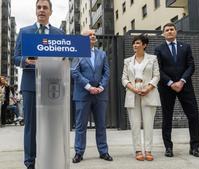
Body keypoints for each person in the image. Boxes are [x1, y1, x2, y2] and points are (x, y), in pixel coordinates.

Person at [13, 0, 64, 168]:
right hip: (30, 85)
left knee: (51, 125)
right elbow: (15, 58)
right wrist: (25, 60)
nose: (41, 10)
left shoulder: (58, 33)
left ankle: (50, 158)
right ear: (36, 10)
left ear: (51, 11)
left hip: (52, 86)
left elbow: (66, 57)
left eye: (45, 8)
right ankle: (30, 162)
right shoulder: (24, 32)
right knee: (30, 126)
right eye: (39, 7)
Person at [154, 23, 199, 158]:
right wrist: (170, 83)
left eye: (171, 29)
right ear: (163, 34)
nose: (169, 32)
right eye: (167, 30)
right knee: (167, 118)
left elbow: (191, 66)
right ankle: (168, 147)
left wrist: (181, 81)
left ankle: (194, 147)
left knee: (193, 116)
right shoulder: (158, 49)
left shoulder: (185, 47)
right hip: (166, 88)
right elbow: (158, 69)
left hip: (185, 86)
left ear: (176, 32)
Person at [71, 29, 112, 163]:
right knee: (80, 125)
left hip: (100, 94)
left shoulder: (102, 54)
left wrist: (101, 87)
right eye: (89, 35)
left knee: (101, 124)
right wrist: (89, 87)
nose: (93, 36)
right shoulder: (77, 53)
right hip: (83, 94)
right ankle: (79, 152)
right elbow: (74, 71)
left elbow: (107, 72)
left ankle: (103, 152)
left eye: (94, 34)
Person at [121, 35, 160, 161]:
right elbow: (124, 78)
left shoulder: (153, 59)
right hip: (132, 93)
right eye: (134, 43)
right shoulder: (127, 61)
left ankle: (148, 150)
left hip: (148, 92)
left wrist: (148, 88)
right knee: (135, 124)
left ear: (144, 45)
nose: (135, 45)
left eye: (138, 43)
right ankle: (138, 150)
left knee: (148, 123)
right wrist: (132, 88)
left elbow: (157, 76)